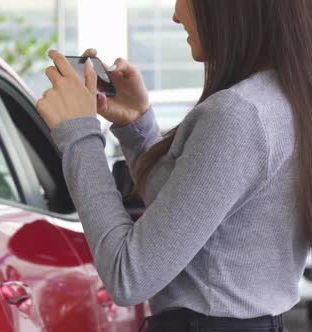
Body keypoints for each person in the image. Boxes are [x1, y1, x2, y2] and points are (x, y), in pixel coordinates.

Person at [35, 0, 312, 331]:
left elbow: (128, 276)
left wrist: (78, 132)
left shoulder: (239, 115)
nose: (176, 14)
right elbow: (188, 219)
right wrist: (137, 127)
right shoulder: (283, 98)